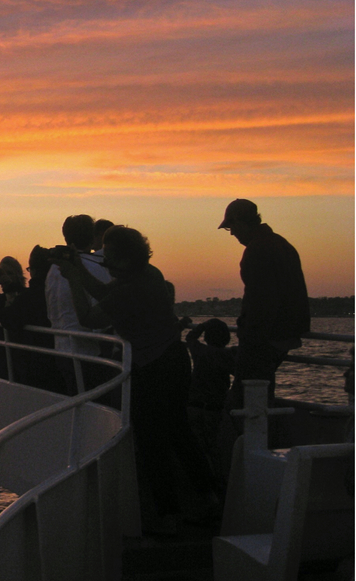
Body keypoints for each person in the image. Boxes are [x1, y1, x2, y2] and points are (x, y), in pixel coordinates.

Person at [57, 225, 217, 533]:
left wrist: (74, 280)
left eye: (110, 256)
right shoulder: (149, 274)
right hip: (174, 360)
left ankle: (168, 517)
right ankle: (208, 498)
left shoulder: (131, 290)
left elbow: (89, 318)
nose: (106, 261)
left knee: (152, 441)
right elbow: (106, 293)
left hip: (154, 367)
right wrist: (78, 269)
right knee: (180, 432)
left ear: (126, 259)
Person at [218, 199, 310, 406]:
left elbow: (260, 301)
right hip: (284, 334)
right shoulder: (281, 244)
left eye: (231, 227)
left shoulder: (257, 249)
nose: (232, 234)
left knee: (245, 400)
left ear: (239, 222)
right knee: (262, 396)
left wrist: (250, 337)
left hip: (264, 339)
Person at [45, 215, 111, 360]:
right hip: (87, 352)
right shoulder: (94, 267)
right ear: (92, 237)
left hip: (60, 348)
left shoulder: (53, 270)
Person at [0, 246, 62, 392]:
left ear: (33, 270)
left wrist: (9, 303)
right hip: (58, 353)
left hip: (36, 362)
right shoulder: (57, 290)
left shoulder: (31, 296)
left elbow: (8, 318)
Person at [185, 318, 236, 479]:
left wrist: (203, 325)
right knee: (214, 446)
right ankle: (217, 479)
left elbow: (190, 337)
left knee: (197, 445)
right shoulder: (227, 355)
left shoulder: (199, 351)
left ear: (207, 337)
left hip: (194, 405)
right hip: (214, 408)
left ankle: (199, 478)